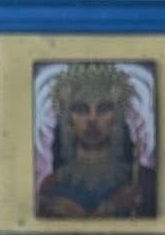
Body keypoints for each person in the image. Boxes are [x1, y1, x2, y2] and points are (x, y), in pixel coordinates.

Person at [37, 63, 157, 218]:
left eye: (103, 109)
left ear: (116, 119)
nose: (92, 119)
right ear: (68, 120)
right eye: (81, 109)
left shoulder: (144, 181)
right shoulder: (51, 186)